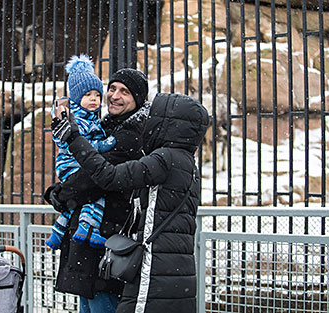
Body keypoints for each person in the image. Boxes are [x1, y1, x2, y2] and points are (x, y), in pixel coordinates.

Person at [51, 92, 209, 313]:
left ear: (168, 122)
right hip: (175, 269)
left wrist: (73, 138)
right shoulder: (187, 163)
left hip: (153, 268)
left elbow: (109, 176)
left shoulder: (164, 160)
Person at [44, 68, 150, 313]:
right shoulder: (103, 126)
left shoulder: (131, 135)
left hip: (110, 239)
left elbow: (98, 177)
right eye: (112, 88)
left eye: (124, 92)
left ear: (137, 99)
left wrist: (61, 193)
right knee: (89, 303)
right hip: (92, 240)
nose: (114, 95)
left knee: (103, 302)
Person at [46, 54, 116, 250]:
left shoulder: (90, 117)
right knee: (94, 196)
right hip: (71, 165)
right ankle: (88, 230)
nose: (93, 99)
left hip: (72, 165)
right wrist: (104, 144)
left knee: (76, 201)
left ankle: (57, 233)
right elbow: (81, 144)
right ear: (77, 97)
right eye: (88, 95)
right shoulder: (78, 119)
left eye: (97, 95)